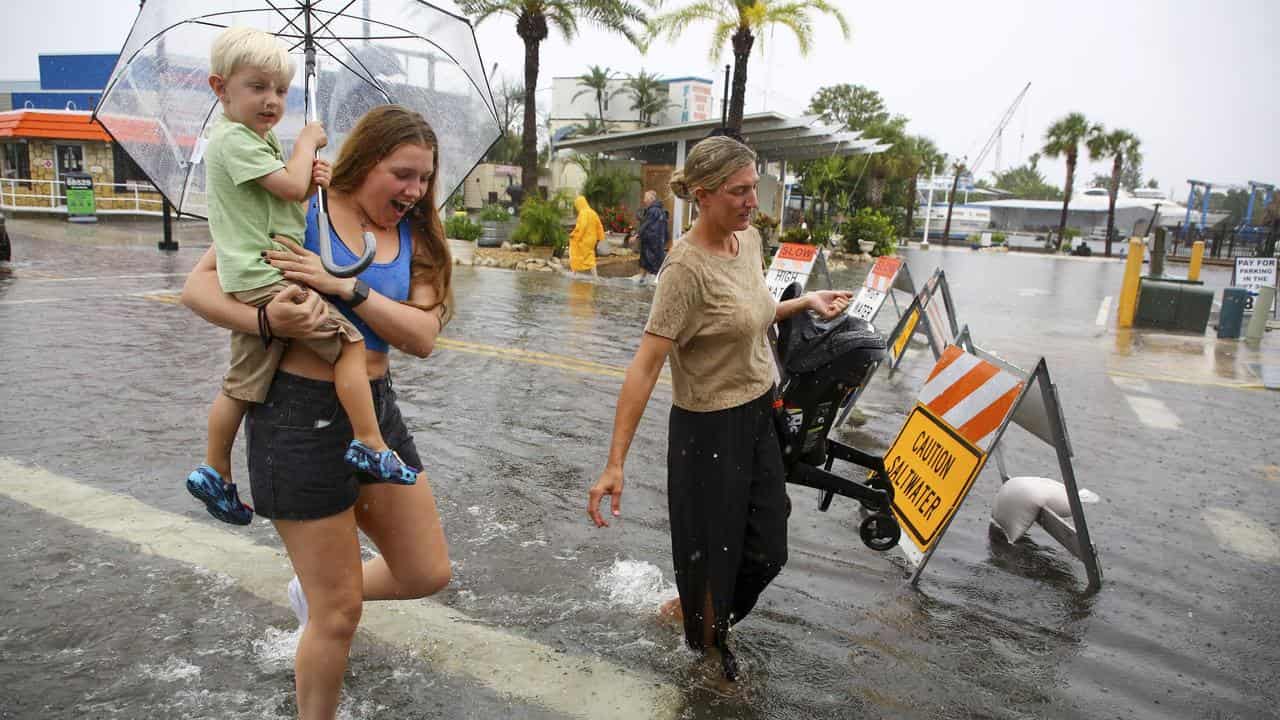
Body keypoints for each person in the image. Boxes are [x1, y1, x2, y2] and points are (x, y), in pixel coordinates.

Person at [181, 104, 453, 719]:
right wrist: (264, 317)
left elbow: (421, 335)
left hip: (375, 410)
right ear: (365, 161)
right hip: (296, 417)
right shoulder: (298, 206)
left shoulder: (420, 237)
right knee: (340, 614)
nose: (415, 190)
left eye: (425, 178)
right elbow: (197, 288)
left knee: (426, 570)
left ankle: (316, 585)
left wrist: (343, 286)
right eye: (402, 174)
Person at [586, 136, 851, 680]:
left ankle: (690, 616)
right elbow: (645, 365)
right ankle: (709, 661)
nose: (753, 201)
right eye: (739, 191)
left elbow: (747, 313)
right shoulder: (683, 269)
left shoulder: (747, 241)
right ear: (703, 195)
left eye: (754, 187)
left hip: (758, 414)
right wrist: (615, 463)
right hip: (707, 430)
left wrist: (802, 303)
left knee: (767, 549)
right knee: (713, 561)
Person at [186, 27, 417, 529]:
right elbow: (287, 191)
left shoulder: (257, 142)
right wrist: (308, 143)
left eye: (281, 90)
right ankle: (371, 443)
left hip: (261, 276)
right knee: (350, 342)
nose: (272, 101)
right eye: (258, 88)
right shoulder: (236, 142)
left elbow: (286, 189)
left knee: (242, 385)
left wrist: (307, 174)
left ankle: (214, 469)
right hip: (268, 277)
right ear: (220, 88)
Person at [635, 190, 670, 284]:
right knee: (649, 262)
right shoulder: (661, 211)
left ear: (651, 198)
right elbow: (665, 228)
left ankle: (646, 282)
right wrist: (666, 239)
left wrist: (636, 235)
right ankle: (643, 280)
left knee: (647, 262)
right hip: (657, 242)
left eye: (645, 198)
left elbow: (646, 224)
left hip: (650, 242)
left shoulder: (653, 210)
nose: (644, 200)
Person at [568, 195, 602, 276]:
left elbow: (582, 226)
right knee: (590, 257)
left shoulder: (583, 213)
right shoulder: (593, 212)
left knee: (575, 253)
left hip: (584, 238)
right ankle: (595, 276)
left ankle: (574, 273)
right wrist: (599, 237)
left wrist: (576, 235)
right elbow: (599, 225)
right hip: (592, 239)